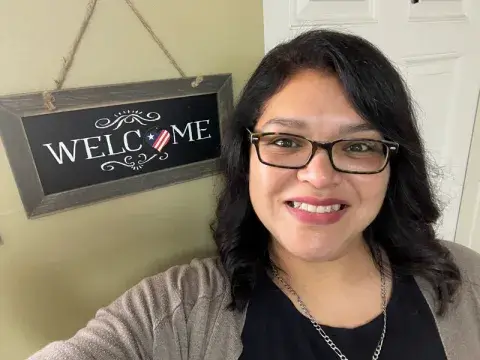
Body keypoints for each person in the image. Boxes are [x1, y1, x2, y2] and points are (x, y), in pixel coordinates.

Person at [29, 29, 480, 360]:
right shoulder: (175, 311)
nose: (318, 176)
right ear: (247, 157)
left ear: (394, 164)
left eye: (359, 146)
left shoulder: (466, 283)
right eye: (285, 141)